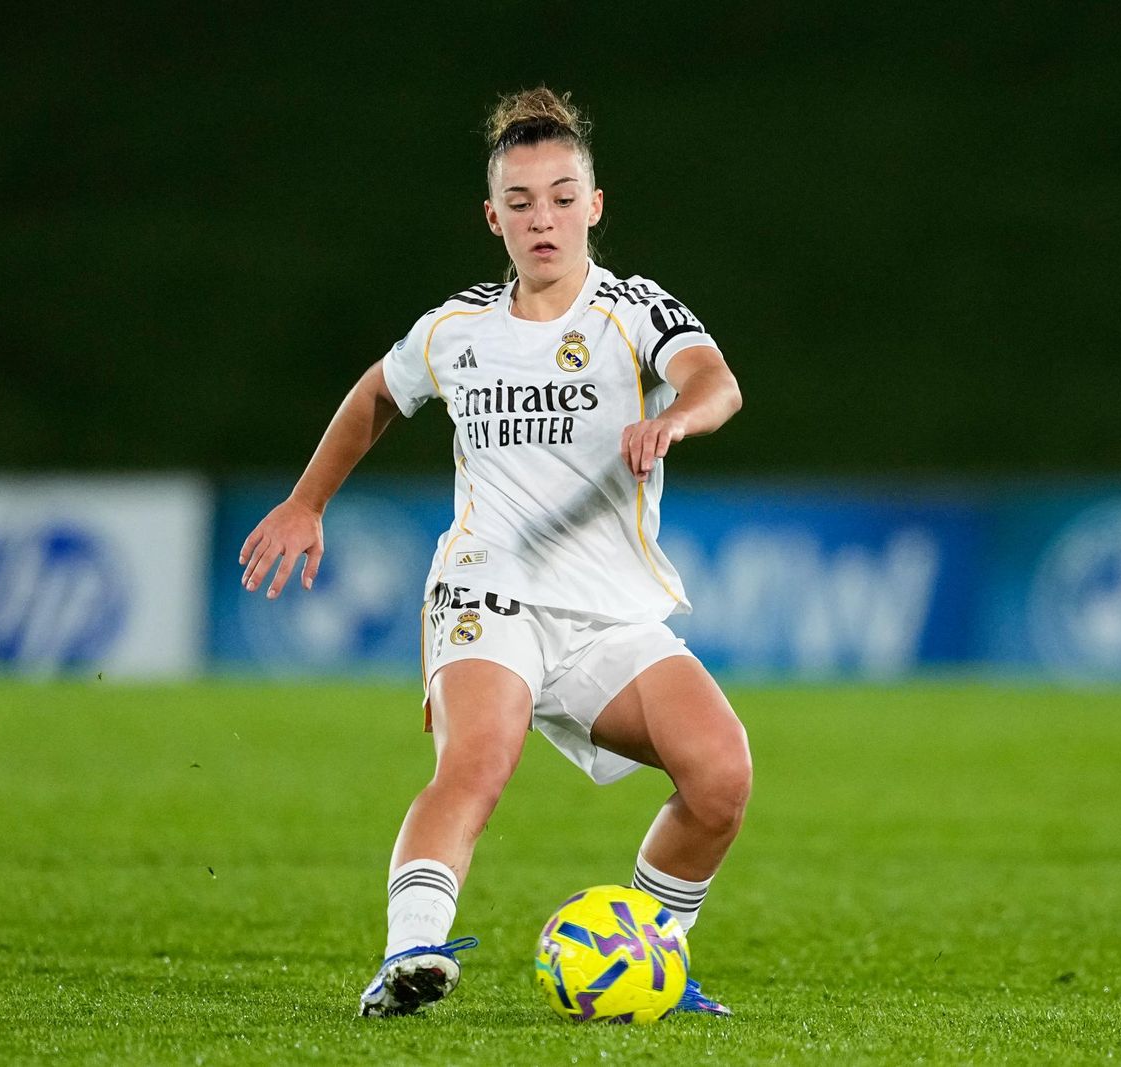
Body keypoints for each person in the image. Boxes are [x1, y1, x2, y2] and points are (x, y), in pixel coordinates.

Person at [238, 87, 749, 1018]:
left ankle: (649, 954)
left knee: (720, 775)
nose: (542, 218)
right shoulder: (457, 328)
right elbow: (376, 394)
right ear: (493, 218)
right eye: (520, 202)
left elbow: (716, 382)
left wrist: (677, 418)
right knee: (476, 762)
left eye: (561, 197)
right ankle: (408, 956)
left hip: (606, 613)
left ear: (594, 206)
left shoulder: (633, 310)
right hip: (487, 591)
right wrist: (307, 501)